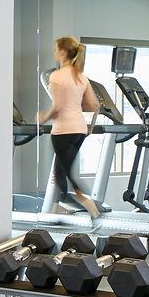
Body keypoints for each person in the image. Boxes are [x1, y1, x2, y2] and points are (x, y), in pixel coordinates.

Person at [37, 36, 102, 221]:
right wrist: (90, 126)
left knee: (64, 173)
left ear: (63, 52)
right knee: (61, 170)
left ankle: (86, 201)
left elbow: (57, 106)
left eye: (56, 49)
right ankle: (58, 208)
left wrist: (43, 118)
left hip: (62, 130)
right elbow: (94, 105)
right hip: (80, 129)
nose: (54, 53)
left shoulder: (57, 76)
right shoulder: (81, 77)